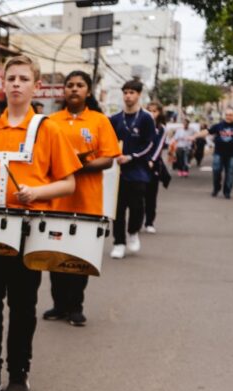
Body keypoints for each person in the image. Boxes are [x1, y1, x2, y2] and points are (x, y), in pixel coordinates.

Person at [0, 54, 80, 391]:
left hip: (29, 231)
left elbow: (69, 183)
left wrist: (37, 192)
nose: (16, 84)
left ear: (36, 86)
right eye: (11, 78)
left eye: (23, 79)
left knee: (24, 305)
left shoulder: (49, 129)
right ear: (3, 83)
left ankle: (18, 374)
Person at [43, 70, 120, 327]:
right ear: (63, 91)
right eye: (70, 85)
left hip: (87, 201)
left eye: (79, 85)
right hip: (56, 201)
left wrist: (76, 166)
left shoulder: (99, 121)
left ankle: (76, 306)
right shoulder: (51, 122)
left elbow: (108, 158)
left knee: (79, 256)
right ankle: (59, 304)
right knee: (56, 253)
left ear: (88, 91)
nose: (74, 89)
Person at [109, 80, 156, 259]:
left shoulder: (145, 118)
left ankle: (133, 232)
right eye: (126, 92)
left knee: (137, 207)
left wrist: (132, 157)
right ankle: (119, 242)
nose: (128, 96)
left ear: (139, 95)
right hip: (118, 172)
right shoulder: (115, 119)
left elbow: (150, 143)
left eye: (132, 92)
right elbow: (109, 142)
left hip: (138, 171)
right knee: (118, 209)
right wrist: (114, 156)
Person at [198, 108, 233, 200]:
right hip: (218, 153)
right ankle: (216, 188)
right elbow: (207, 131)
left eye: (230, 115)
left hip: (232, 154)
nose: (228, 117)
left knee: (230, 173)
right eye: (227, 115)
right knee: (216, 170)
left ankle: (227, 192)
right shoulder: (219, 125)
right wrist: (194, 136)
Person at [143, 101, 169, 233]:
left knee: (151, 196)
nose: (152, 113)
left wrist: (152, 160)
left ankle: (149, 222)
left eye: (155, 111)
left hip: (153, 165)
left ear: (159, 113)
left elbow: (159, 147)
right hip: (140, 164)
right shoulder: (141, 125)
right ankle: (137, 222)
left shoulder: (162, 128)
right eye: (149, 110)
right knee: (138, 195)